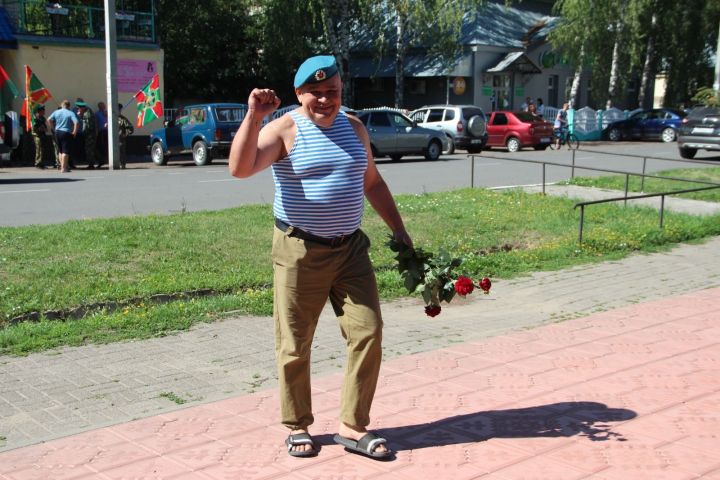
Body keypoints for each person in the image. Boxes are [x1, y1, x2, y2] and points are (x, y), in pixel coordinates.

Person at [228, 55, 412, 460]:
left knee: (369, 331)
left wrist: (398, 228)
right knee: (295, 342)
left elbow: (372, 181)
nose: (326, 100)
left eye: (333, 92)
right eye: (316, 93)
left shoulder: (354, 127)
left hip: (350, 250)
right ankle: (297, 425)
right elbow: (239, 169)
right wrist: (253, 117)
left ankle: (352, 426)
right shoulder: (283, 130)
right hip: (300, 250)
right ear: (298, 94)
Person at [47, 100, 79, 173]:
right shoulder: (70, 113)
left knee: (60, 151)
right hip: (66, 133)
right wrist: (74, 132)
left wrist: (53, 128)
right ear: (69, 106)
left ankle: (62, 166)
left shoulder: (56, 112)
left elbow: (49, 119)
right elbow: (76, 123)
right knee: (65, 151)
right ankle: (64, 168)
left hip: (57, 132)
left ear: (62, 105)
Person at [76, 99, 97, 169]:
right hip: (90, 134)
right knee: (91, 148)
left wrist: (80, 116)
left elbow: (88, 125)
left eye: (79, 108)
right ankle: (99, 161)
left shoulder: (87, 114)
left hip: (90, 134)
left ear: (82, 107)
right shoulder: (87, 112)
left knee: (89, 149)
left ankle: (91, 164)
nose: (78, 110)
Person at [31, 105, 49, 169]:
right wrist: (41, 128)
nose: (44, 111)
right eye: (43, 110)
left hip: (42, 135)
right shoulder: (35, 118)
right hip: (37, 135)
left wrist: (45, 129)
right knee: (38, 150)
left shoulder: (42, 118)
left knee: (42, 150)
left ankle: (41, 162)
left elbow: (45, 127)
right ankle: (37, 163)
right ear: (40, 111)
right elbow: (34, 128)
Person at [117, 103, 134, 169]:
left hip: (120, 140)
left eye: (119, 110)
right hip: (112, 141)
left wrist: (125, 134)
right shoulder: (111, 119)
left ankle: (122, 165)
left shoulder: (123, 120)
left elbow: (131, 129)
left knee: (121, 153)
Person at [95, 101, 108, 167]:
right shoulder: (97, 114)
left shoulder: (108, 112)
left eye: (104, 106)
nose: (103, 107)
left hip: (108, 131)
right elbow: (96, 123)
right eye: (101, 106)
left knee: (107, 146)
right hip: (101, 132)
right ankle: (102, 160)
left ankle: (108, 159)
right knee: (101, 146)